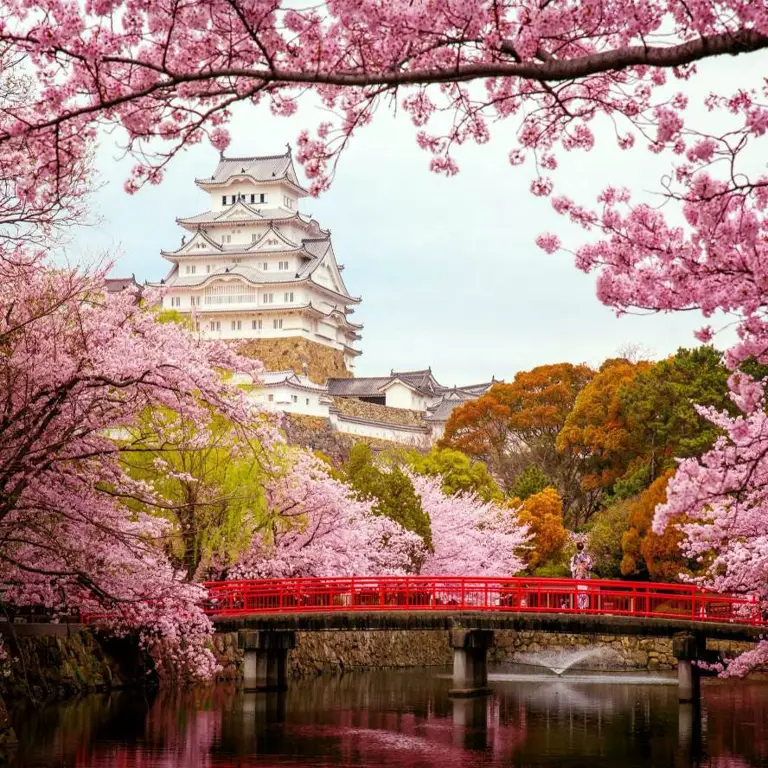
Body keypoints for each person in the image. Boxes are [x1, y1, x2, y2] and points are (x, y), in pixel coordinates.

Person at [570, 542, 594, 610]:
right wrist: (584, 566)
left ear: (577, 547)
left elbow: (572, 569)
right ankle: (582, 609)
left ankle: (581, 608)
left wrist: (578, 567)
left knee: (580, 593)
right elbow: (591, 567)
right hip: (584, 578)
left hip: (579, 578)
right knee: (583, 593)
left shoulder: (574, 557)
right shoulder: (587, 557)